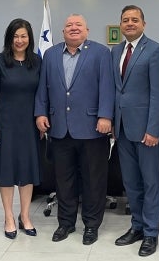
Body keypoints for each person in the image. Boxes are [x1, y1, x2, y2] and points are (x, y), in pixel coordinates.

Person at [35, 13, 115, 245]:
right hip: (59, 128)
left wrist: (105, 115)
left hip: (93, 128)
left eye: (78, 25)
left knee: (93, 180)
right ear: (62, 32)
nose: (73, 28)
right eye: (69, 25)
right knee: (64, 179)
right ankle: (66, 223)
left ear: (87, 30)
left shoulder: (100, 53)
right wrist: (41, 112)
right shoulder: (50, 55)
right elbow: (43, 88)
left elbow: (107, 87)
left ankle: (91, 225)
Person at [111, 5, 159, 257]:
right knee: (131, 183)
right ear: (121, 25)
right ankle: (136, 226)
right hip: (123, 129)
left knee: (150, 183)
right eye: (125, 20)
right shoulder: (115, 51)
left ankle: (151, 233)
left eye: (135, 20)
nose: (130, 24)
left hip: (148, 131)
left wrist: (154, 129)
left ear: (144, 24)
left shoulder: (155, 51)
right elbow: (118, 91)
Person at [0, 18, 41, 239]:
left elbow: (42, 93)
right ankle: (9, 216)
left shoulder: (37, 62)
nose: (20, 40)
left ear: (30, 39)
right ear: (10, 38)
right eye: (16, 36)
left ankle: (25, 216)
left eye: (24, 36)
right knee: (7, 170)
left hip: (29, 124)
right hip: (5, 123)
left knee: (27, 170)